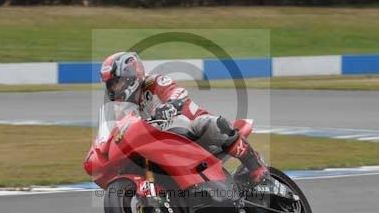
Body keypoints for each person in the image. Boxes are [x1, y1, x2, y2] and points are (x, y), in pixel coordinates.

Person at [100, 51, 275, 190]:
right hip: (160, 144)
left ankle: (257, 169)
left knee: (206, 124)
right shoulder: (124, 106)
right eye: (111, 85)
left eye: (117, 82)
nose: (115, 88)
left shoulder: (154, 81)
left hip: (191, 128)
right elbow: (120, 128)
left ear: (131, 75)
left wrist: (169, 105)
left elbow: (177, 92)